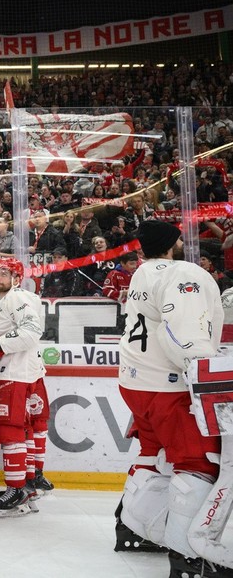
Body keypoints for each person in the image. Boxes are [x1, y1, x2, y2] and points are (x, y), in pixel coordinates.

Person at [117, 220, 229, 577]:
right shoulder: (183, 273)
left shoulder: (142, 272)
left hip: (136, 382)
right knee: (198, 463)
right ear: (173, 243)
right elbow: (181, 333)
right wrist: (201, 376)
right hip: (171, 387)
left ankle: (132, 527)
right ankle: (187, 558)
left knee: (155, 456)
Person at [0, 258, 47, 516]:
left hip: (16, 372)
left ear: (17, 278)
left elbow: (31, 330)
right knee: (14, 430)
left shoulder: (17, 298)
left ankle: (17, 489)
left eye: (5, 273)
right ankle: (24, 485)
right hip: (5, 371)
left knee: (11, 429)